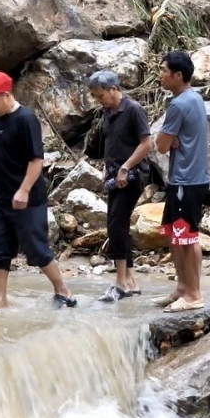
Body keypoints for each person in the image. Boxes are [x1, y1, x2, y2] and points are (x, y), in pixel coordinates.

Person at [0, 71, 75, 311]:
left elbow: (36, 160)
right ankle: (0, 300)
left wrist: (23, 190)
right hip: (1, 197)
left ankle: (62, 290)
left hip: (28, 199)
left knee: (36, 248)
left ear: (6, 95)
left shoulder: (26, 119)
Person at [88, 71, 152, 304]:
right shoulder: (108, 112)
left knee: (116, 225)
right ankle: (131, 282)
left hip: (132, 175)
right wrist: (108, 167)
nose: (99, 100)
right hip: (115, 174)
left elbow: (147, 143)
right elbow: (112, 142)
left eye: (101, 95)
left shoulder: (133, 110)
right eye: (96, 97)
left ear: (114, 89)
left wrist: (125, 167)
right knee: (118, 225)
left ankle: (121, 282)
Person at [155, 51, 210, 313]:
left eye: (163, 70)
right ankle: (182, 288)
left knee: (186, 238)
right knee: (176, 236)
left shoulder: (178, 105)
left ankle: (194, 295)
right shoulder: (195, 98)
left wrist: (166, 138)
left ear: (178, 75)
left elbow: (161, 146)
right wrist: (171, 138)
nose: (160, 75)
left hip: (185, 181)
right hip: (191, 179)